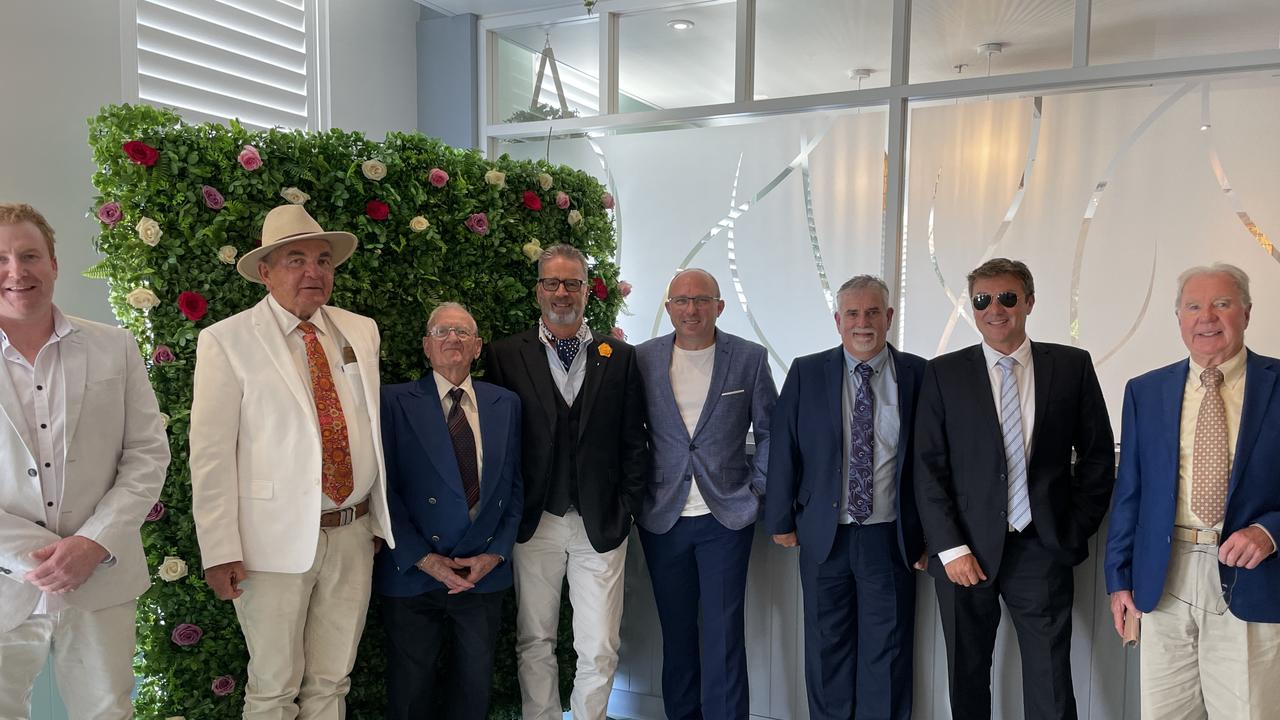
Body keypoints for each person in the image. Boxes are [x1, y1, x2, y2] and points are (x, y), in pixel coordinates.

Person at [190, 204, 395, 720]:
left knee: (332, 681)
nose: (313, 272)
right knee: (273, 686)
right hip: (268, 544)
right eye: (296, 260)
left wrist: (373, 518)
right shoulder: (226, 340)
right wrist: (219, 548)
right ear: (265, 271)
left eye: (323, 260)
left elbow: (366, 424)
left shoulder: (360, 331)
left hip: (352, 532)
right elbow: (211, 455)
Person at [914, 257, 1114, 719]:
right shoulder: (943, 373)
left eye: (1007, 297)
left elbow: (1098, 455)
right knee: (966, 676)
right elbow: (927, 468)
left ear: (1028, 301)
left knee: (1050, 678)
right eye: (982, 300)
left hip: (1041, 546)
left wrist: (1072, 527)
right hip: (965, 553)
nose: (994, 309)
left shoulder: (1070, 366)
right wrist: (949, 548)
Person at [0, 202, 169, 718]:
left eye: (29, 255)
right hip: (4, 581)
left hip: (102, 579)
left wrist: (93, 543)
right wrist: (40, 557)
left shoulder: (114, 346)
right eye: (1, 258)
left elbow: (147, 452)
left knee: (106, 712)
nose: (16, 271)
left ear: (53, 263)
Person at [1105, 263, 1280, 718]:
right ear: (1179, 318)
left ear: (1246, 312)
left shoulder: (1277, 385)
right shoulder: (1146, 391)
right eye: (1193, 306)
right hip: (1162, 577)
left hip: (1252, 575)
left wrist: (1270, 531)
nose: (1207, 317)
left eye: (1222, 304)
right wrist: (1119, 579)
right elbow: (1131, 493)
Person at [484, 243, 648, 720]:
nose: (561, 292)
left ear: (586, 291)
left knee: (599, 645)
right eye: (551, 282)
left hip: (601, 523)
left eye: (571, 283)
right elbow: (500, 443)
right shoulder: (504, 355)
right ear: (538, 290)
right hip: (535, 523)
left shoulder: (619, 357)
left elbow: (634, 441)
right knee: (535, 639)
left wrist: (627, 507)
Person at [764, 275, 926, 720]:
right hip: (822, 536)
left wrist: (929, 535)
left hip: (888, 539)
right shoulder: (806, 371)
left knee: (887, 653)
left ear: (889, 317)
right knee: (826, 648)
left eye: (873, 312)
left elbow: (931, 461)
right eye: (853, 313)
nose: (863, 322)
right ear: (838, 321)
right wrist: (780, 520)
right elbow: (785, 448)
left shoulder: (919, 374)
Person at [634, 268, 776, 720]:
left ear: (719, 306)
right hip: (663, 517)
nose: (691, 309)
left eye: (700, 300)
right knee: (676, 636)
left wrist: (757, 490)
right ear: (669, 308)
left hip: (726, 518)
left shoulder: (749, 358)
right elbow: (627, 434)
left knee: (723, 636)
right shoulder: (641, 359)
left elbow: (771, 431)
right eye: (681, 300)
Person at [374, 302, 523, 720]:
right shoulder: (392, 401)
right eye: (442, 332)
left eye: (462, 332)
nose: (452, 339)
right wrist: (422, 558)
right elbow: (382, 489)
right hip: (413, 573)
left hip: (481, 573)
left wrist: (495, 554)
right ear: (426, 345)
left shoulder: (505, 403)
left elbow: (514, 488)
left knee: (473, 692)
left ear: (477, 347)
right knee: (410, 691)